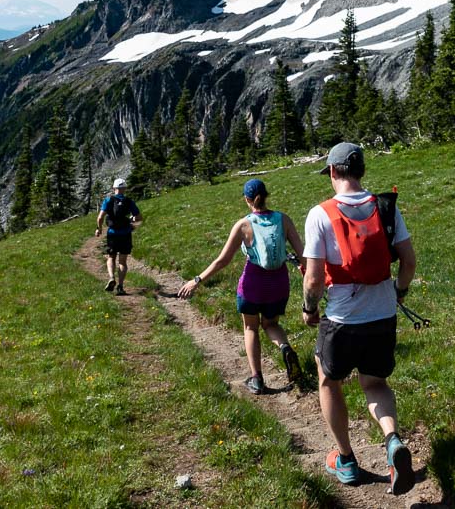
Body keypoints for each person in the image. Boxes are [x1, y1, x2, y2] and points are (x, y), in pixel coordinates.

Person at [301, 142, 417, 495]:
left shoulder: (320, 214)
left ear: (333, 172)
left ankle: (347, 459)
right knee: (375, 384)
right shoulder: (385, 207)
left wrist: (309, 308)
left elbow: (314, 279)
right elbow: (409, 261)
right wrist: (399, 291)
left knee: (328, 381)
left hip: (341, 319)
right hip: (382, 315)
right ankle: (392, 440)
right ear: (362, 171)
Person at [178, 178, 308, 394]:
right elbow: (302, 254)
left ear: (247, 200)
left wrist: (197, 280)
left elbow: (222, 260)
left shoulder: (243, 225)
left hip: (252, 285)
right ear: (266, 195)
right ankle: (285, 347)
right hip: (278, 284)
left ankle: (257, 378)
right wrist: (307, 271)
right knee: (271, 325)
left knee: (251, 327)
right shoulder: (283, 219)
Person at [96, 178, 142, 295]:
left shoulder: (108, 200)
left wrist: (99, 229)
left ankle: (111, 278)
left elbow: (100, 217)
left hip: (112, 234)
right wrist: (132, 219)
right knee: (123, 262)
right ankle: (120, 286)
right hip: (125, 234)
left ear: (114, 188)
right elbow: (139, 217)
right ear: (124, 189)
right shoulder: (129, 201)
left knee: (111, 257)